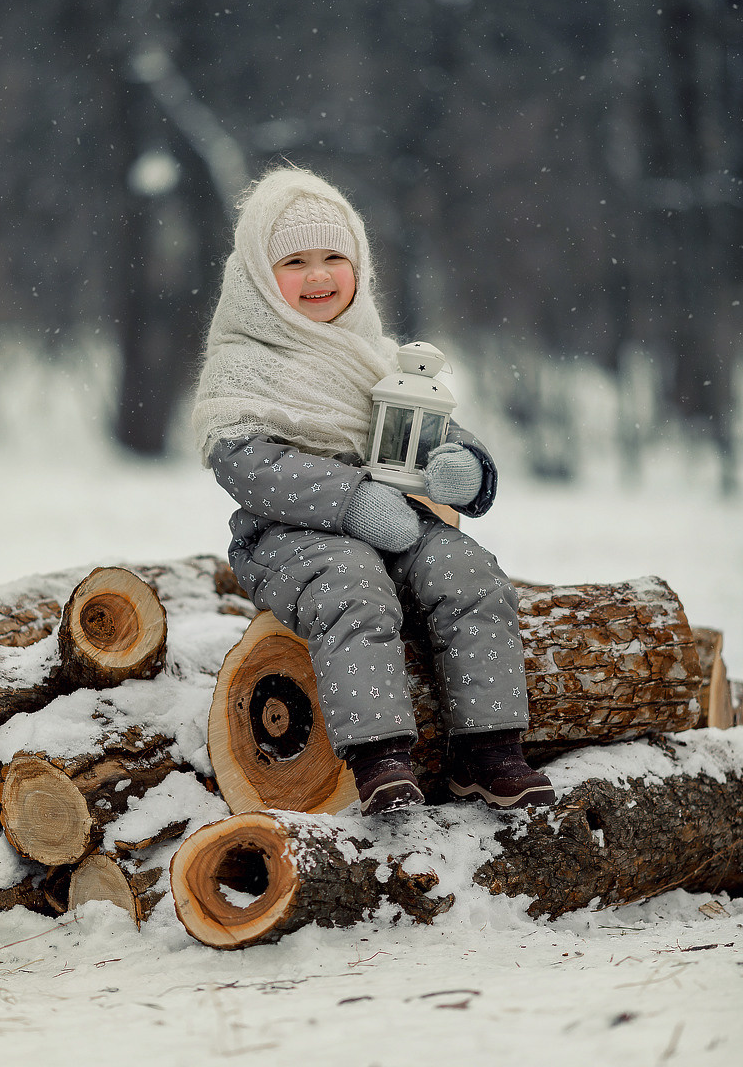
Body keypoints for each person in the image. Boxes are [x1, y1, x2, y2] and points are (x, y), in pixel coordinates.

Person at [193, 166, 555, 815]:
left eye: (335, 257)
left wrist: (460, 464)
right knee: (351, 584)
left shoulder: (374, 355)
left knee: (468, 572)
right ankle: (381, 757)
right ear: (257, 278)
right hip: (290, 534)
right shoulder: (244, 360)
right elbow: (245, 463)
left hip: (399, 516)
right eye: (295, 262)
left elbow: (422, 424)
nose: (319, 275)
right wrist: (351, 500)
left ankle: (490, 749)